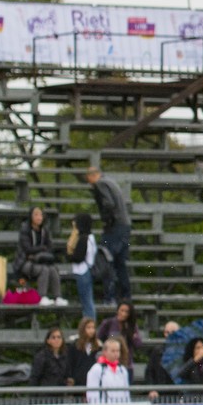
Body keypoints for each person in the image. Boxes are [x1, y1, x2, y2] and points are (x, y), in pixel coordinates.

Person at [84, 166, 132, 302]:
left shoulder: (101, 184)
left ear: (92, 176)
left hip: (114, 227)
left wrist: (107, 221)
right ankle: (125, 295)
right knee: (120, 263)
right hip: (124, 225)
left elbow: (108, 204)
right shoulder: (111, 182)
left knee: (107, 259)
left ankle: (109, 296)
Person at [13, 205, 63, 307]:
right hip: (25, 262)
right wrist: (42, 249)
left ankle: (57, 297)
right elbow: (27, 249)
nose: (39, 217)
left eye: (40, 215)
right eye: (36, 215)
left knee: (53, 269)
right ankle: (42, 296)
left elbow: (50, 247)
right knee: (44, 270)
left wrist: (40, 251)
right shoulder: (25, 230)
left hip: (41, 260)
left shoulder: (45, 230)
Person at [65, 213, 99, 322]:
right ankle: (90, 322)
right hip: (87, 270)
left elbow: (78, 257)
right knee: (87, 301)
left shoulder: (83, 238)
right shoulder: (91, 237)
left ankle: (89, 323)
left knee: (87, 302)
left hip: (83, 271)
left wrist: (69, 255)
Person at [84, 337, 132, 404]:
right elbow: (92, 393)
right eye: (113, 351)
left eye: (118, 351)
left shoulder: (122, 370)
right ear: (105, 352)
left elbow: (126, 392)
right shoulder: (96, 369)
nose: (116, 353)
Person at [29, 327, 70, 394]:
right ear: (48, 341)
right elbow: (35, 377)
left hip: (60, 394)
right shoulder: (41, 356)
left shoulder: (65, 356)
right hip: (45, 394)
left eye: (59, 337)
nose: (56, 340)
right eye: (53, 337)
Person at [64, 317, 100, 388]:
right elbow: (70, 364)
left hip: (93, 383)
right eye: (88, 328)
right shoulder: (74, 346)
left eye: (93, 328)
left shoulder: (97, 347)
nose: (91, 330)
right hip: (78, 383)